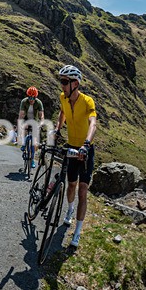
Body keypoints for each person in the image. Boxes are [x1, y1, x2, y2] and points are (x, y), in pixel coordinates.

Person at [54, 65, 97, 248]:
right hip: (71, 146)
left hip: (86, 150)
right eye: (61, 81)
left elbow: (93, 123)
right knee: (71, 184)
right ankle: (70, 210)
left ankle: (77, 232)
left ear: (75, 83)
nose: (61, 85)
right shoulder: (63, 98)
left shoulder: (87, 101)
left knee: (82, 190)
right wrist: (58, 129)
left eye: (64, 81)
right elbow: (62, 113)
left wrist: (86, 144)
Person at [18, 86, 44, 168]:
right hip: (26, 119)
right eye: (29, 97)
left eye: (33, 97)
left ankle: (32, 160)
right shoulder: (24, 102)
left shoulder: (38, 103)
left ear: (35, 97)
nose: (31, 99)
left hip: (34, 121)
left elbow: (41, 115)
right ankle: (23, 143)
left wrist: (41, 123)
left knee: (34, 142)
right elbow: (21, 114)